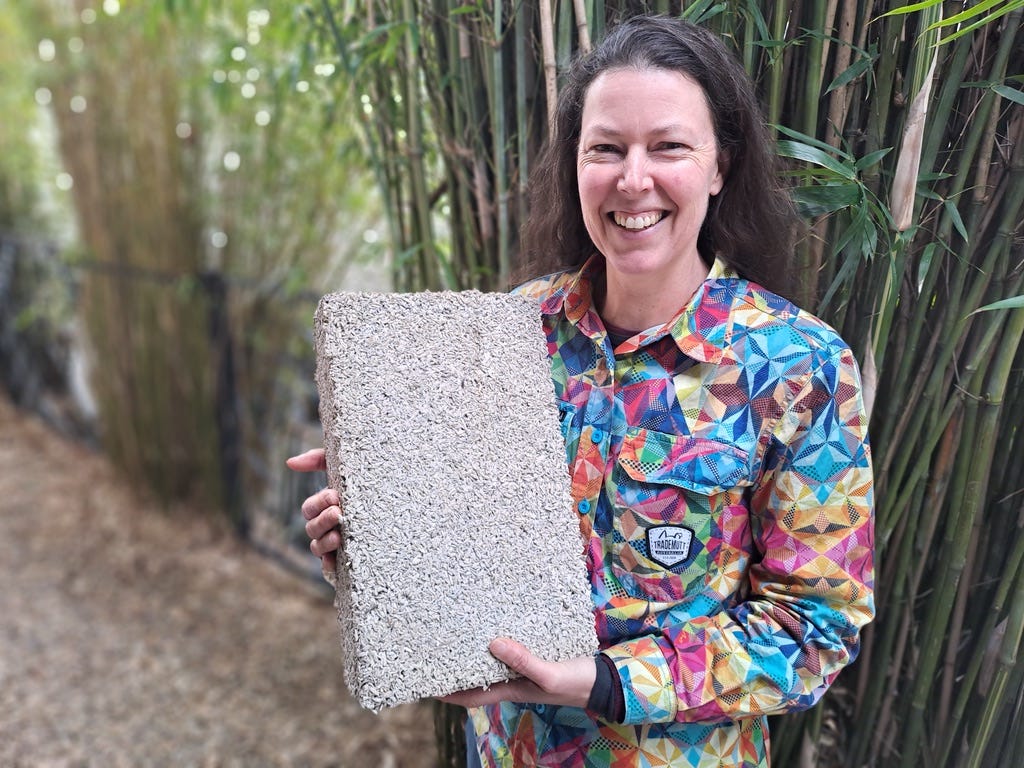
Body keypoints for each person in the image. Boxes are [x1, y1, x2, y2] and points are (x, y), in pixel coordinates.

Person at [288, 15, 875, 768]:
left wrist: (606, 682)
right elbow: (456, 563)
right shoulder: (507, 335)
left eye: (668, 146)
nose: (633, 179)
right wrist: (375, 537)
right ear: (575, 164)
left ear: (720, 167)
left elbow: (814, 630)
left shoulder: (796, 366)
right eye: (606, 148)